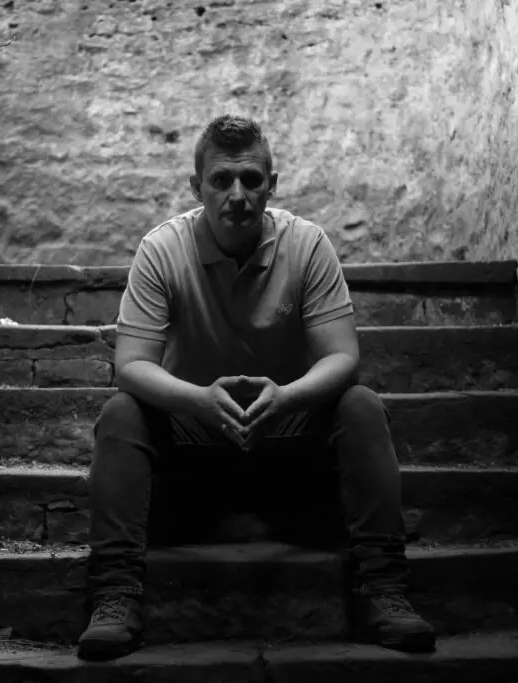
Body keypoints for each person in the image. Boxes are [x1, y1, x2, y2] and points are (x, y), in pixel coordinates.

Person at [76, 115, 436, 661]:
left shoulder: (307, 244)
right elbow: (130, 365)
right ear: (197, 187)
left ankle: (384, 587)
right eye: (221, 180)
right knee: (123, 414)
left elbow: (343, 357)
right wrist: (197, 400)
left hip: (287, 442)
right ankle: (115, 596)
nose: (238, 195)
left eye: (251, 179)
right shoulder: (162, 249)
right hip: (194, 444)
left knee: (361, 406)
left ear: (273, 184)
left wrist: (288, 397)